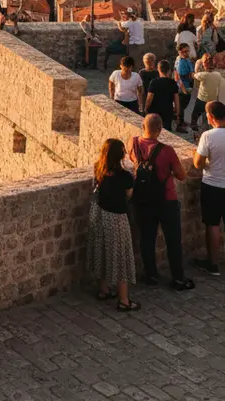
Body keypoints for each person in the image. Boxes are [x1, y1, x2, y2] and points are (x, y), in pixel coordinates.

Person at [129, 114, 193, 290]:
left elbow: (134, 163)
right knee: (173, 239)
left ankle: (151, 275)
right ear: (160, 129)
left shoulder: (133, 143)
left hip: (143, 199)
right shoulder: (167, 150)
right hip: (166, 199)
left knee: (147, 238)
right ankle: (178, 278)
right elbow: (181, 175)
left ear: (143, 126)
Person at [86, 139, 139, 311]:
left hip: (100, 216)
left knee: (102, 251)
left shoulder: (98, 169)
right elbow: (129, 196)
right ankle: (124, 300)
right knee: (121, 258)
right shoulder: (125, 176)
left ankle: (103, 290)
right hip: (117, 219)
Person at [193, 100, 225, 277]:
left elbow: (198, 164)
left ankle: (212, 265)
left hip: (213, 184)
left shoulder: (208, 136)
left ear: (210, 117)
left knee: (212, 224)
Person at [145, 60, 180, 134]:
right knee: (166, 132)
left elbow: (149, 98)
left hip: (154, 111)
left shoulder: (154, 82)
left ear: (158, 69)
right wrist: (177, 113)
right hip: (167, 111)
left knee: (153, 131)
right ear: (169, 70)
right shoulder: (173, 83)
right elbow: (176, 100)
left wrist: (146, 109)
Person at [192, 54, 223, 135]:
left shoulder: (203, 75)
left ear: (204, 64)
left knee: (195, 114)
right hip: (212, 100)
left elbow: (194, 75)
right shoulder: (218, 74)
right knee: (208, 117)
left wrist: (199, 64)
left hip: (201, 100)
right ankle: (208, 129)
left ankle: (195, 128)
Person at [174, 44, 196, 132]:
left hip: (184, 86)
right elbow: (180, 76)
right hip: (184, 87)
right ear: (179, 52)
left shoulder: (181, 59)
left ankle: (181, 122)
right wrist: (194, 75)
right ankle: (179, 125)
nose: (187, 53)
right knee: (182, 106)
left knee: (183, 106)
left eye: (187, 51)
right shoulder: (182, 62)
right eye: (184, 51)